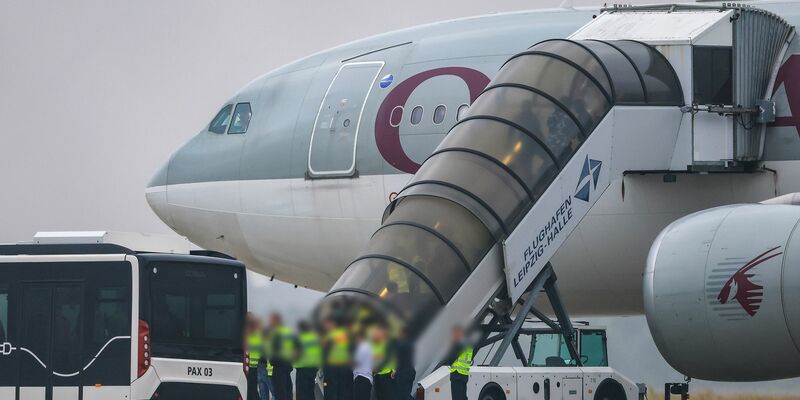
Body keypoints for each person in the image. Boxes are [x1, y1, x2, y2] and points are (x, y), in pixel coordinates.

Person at [322, 318, 352, 400]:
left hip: (332, 367)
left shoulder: (330, 335)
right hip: (345, 366)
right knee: (343, 391)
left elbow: (324, 350)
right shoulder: (346, 334)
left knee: (330, 390)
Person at [268, 313, 295, 400]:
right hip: (287, 366)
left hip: (278, 367)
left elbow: (274, 352)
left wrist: (271, 361)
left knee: (280, 393)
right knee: (287, 391)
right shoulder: (287, 331)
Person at [443, 326, 473, 400]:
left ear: (459, 333)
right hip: (464, 375)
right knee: (463, 397)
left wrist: (451, 345)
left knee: (457, 398)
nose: (453, 335)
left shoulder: (458, 344)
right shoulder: (468, 344)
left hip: (457, 374)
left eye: (454, 333)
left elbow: (450, 360)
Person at [294, 320, 321, 400]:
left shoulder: (299, 339)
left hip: (302, 369)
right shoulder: (314, 338)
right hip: (313, 369)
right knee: (310, 392)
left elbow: (295, 354)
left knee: (301, 394)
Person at [371, 326, 395, 400]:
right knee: (379, 396)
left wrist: (393, 370)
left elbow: (389, 359)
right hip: (377, 376)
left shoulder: (386, 345)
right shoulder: (373, 345)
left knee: (387, 396)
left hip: (386, 375)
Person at [393, 326, 416, 400]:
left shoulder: (402, 345)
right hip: (410, 372)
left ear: (404, 334)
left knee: (404, 396)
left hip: (404, 374)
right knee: (406, 394)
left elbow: (399, 360)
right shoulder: (409, 344)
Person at [245, 313, 263, 400]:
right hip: (252, 366)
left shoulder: (254, 333)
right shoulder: (255, 332)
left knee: (251, 389)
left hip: (253, 366)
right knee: (252, 389)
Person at [352, 329, 373, 400]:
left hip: (361, 377)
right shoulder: (370, 347)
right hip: (368, 378)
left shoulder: (361, 347)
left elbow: (356, 362)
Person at [258, 325, 276, 400]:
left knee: (263, 395)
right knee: (275, 393)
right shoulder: (270, 344)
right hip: (268, 371)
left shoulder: (260, 343)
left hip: (259, 370)